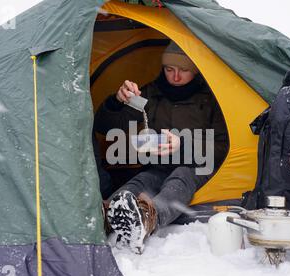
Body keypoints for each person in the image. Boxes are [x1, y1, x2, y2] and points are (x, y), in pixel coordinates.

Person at [94, 41, 228, 254]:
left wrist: (182, 144)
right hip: (160, 165)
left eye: (183, 70)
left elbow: (222, 147)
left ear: (195, 70)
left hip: (199, 165)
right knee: (143, 180)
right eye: (169, 69)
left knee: (181, 176)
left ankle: (148, 217)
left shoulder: (212, 99)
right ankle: (108, 213)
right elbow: (103, 126)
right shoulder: (150, 94)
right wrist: (117, 102)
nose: (175, 77)